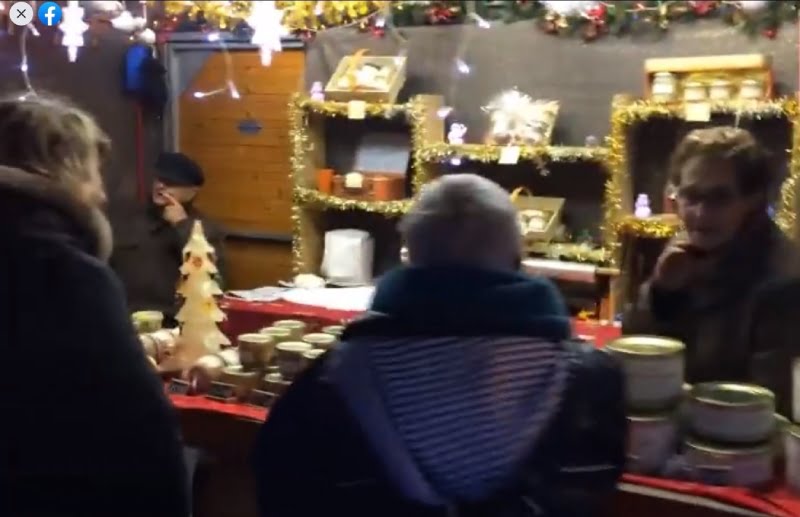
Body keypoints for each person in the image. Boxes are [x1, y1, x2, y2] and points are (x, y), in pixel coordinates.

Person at [252, 174, 626, 517]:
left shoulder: (327, 384)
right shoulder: (591, 381)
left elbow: (282, 489)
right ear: (518, 259)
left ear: (411, 256)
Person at [0, 95, 189, 517]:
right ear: (58, 169)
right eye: (91, 174)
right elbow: (137, 431)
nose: (101, 194)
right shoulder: (57, 267)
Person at [623, 126, 800, 405]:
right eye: (691, 197)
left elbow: (768, 408)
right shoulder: (685, 252)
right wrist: (661, 294)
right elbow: (635, 362)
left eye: (719, 198)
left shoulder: (783, 281)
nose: (701, 214)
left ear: (752, 201)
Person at [111, 151, 226, 320]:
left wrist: (181, 225)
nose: (161, 186)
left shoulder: (204, 229)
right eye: (159, 179)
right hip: (125, 316)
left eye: (171, 183)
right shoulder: (128, 219)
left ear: (192, 192)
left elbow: (210, 276)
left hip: (173, 321)